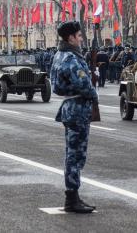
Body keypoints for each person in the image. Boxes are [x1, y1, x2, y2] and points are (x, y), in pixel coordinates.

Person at [50, 21, 97, 214]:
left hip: (70, 108)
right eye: (78, 36)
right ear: (70, 38)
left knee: (72, 154)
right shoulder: (71, 58)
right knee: (76, 155)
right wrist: (93, 94)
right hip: (77, 109)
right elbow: (84, 85)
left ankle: (73, 196)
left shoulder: (59, 55)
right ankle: (72, 198)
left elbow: (56, 85)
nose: (81, 39)